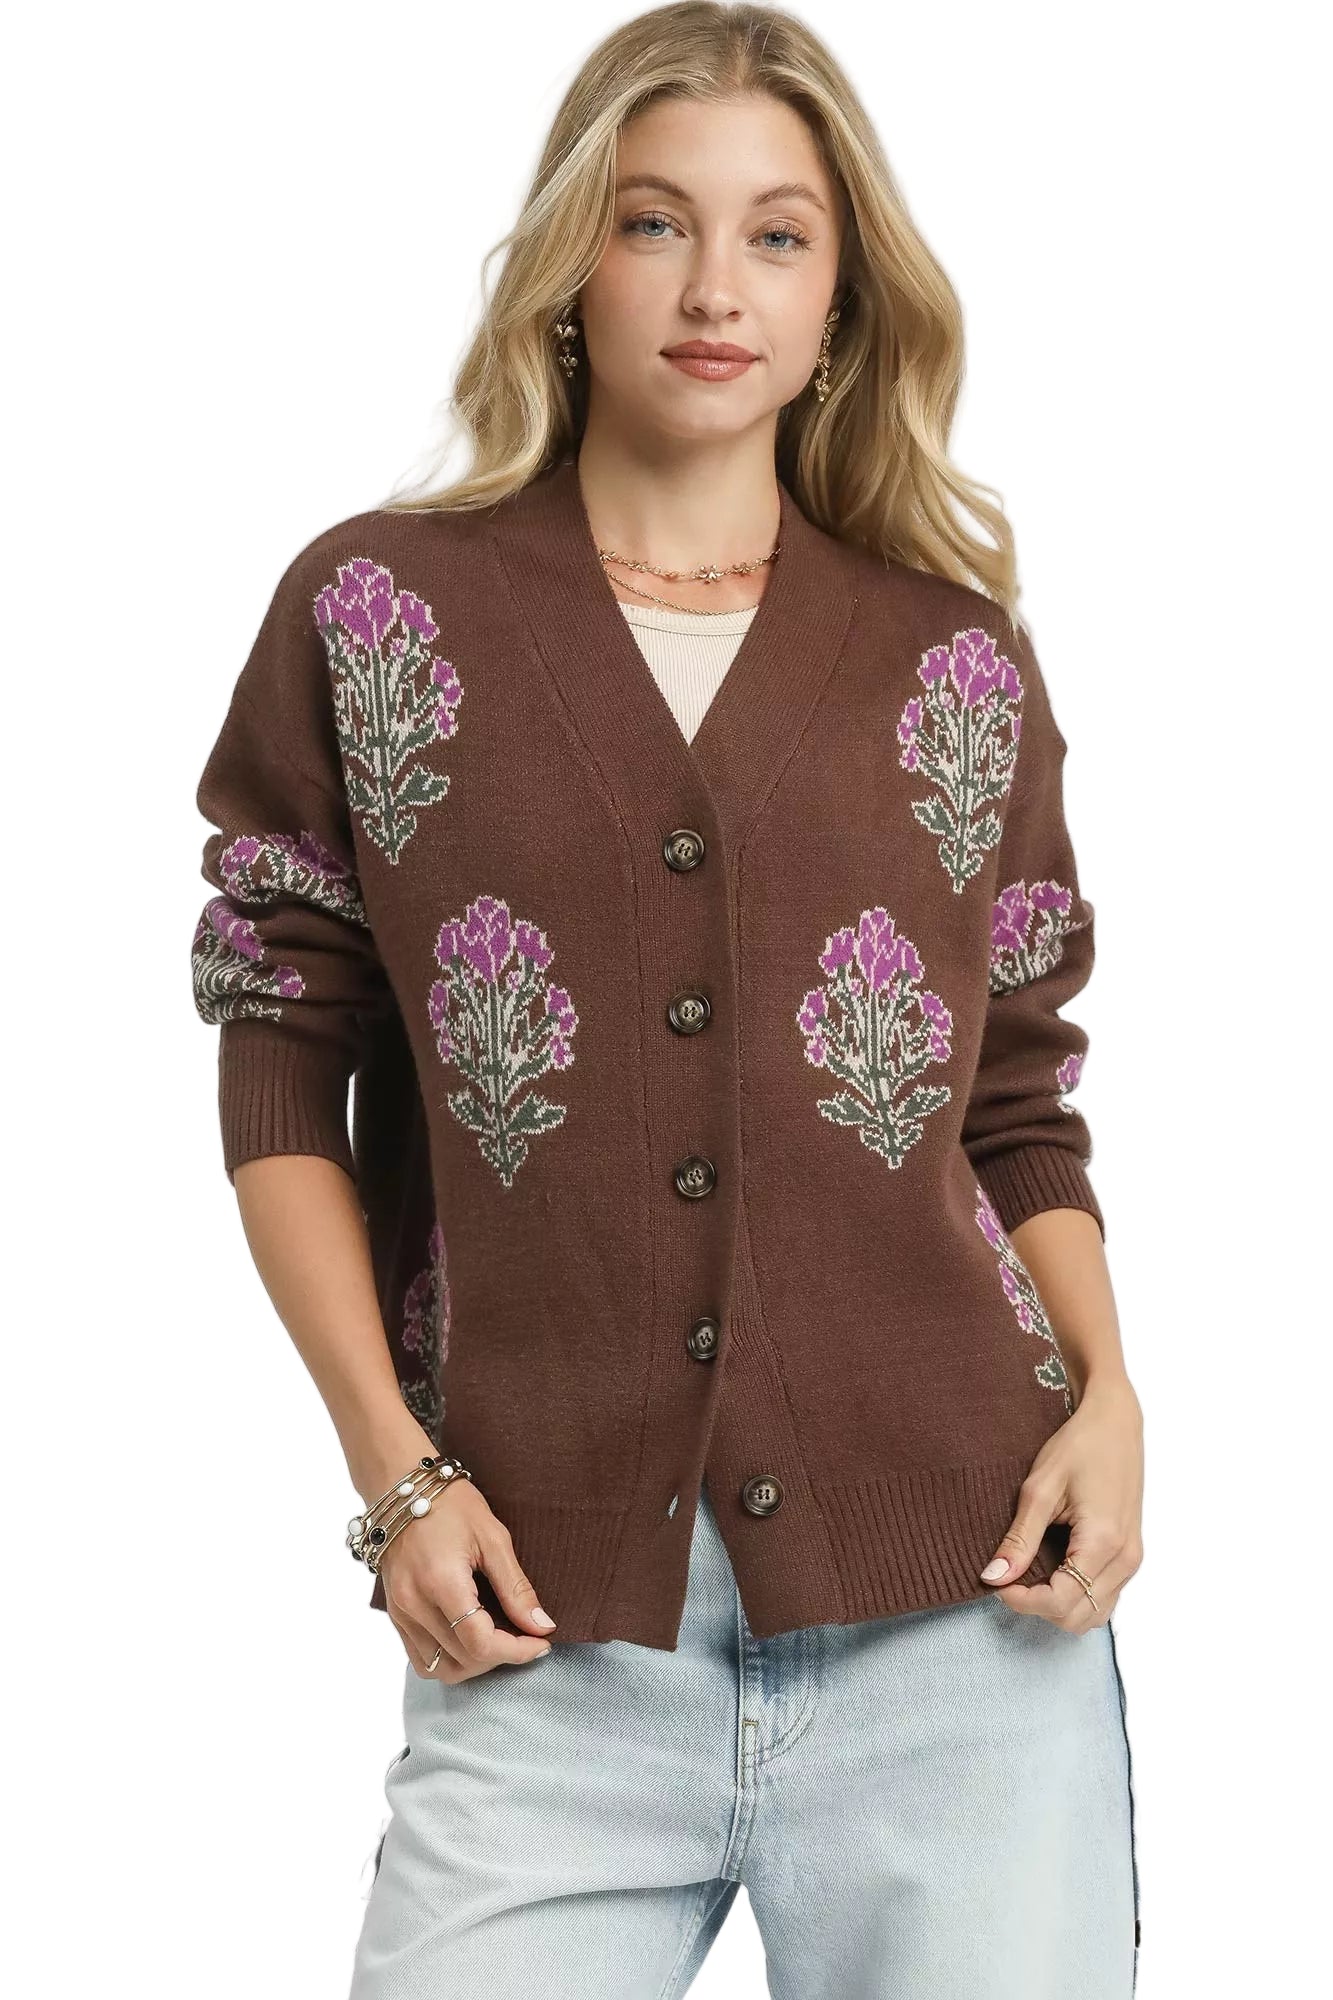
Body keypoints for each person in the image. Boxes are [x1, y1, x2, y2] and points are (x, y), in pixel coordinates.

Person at [189, 5, 1144, 1994]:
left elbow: (1013, 1097)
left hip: (966, 1619)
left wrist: (1111, 1395)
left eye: (777, 236)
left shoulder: (953, 662)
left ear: (841, 297)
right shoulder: (382, 611)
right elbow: (282, 1043)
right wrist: (392, 1472)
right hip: (542, 1622)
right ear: (570, 263)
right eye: (653, 222)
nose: (716, 288)